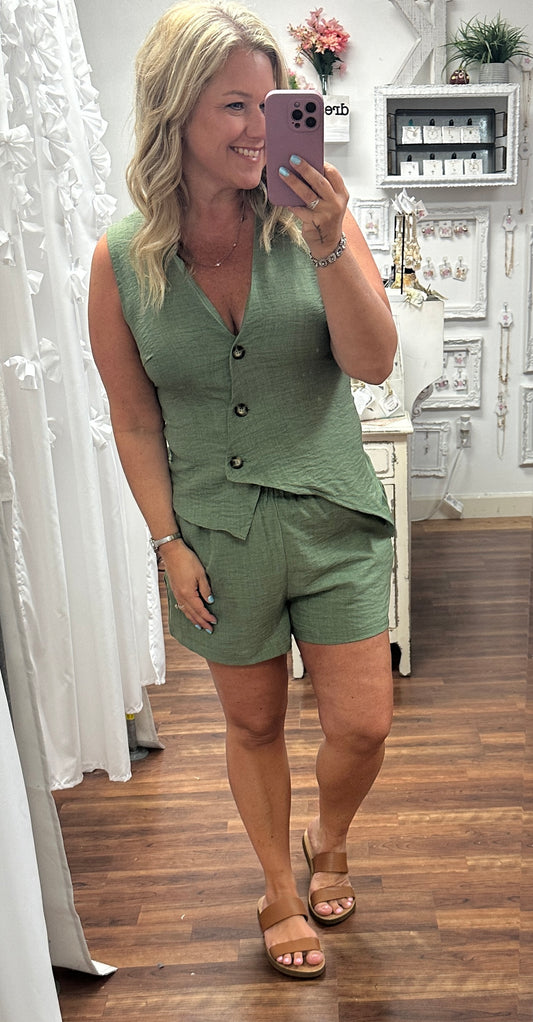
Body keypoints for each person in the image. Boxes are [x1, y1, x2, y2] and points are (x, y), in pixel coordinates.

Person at [88, 0, 398, 980]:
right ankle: (276, 879)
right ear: (173, 111)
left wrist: (329, 239)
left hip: (331, 508)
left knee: (360, 722)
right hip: (215, 534)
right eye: (232, 104)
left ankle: (330, 835)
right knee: (252, 721)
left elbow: (374, 360)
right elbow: (135, 419)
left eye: (270, 106)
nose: (255, 128)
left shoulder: (312, 224)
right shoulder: (119, 260)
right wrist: (164, 541)